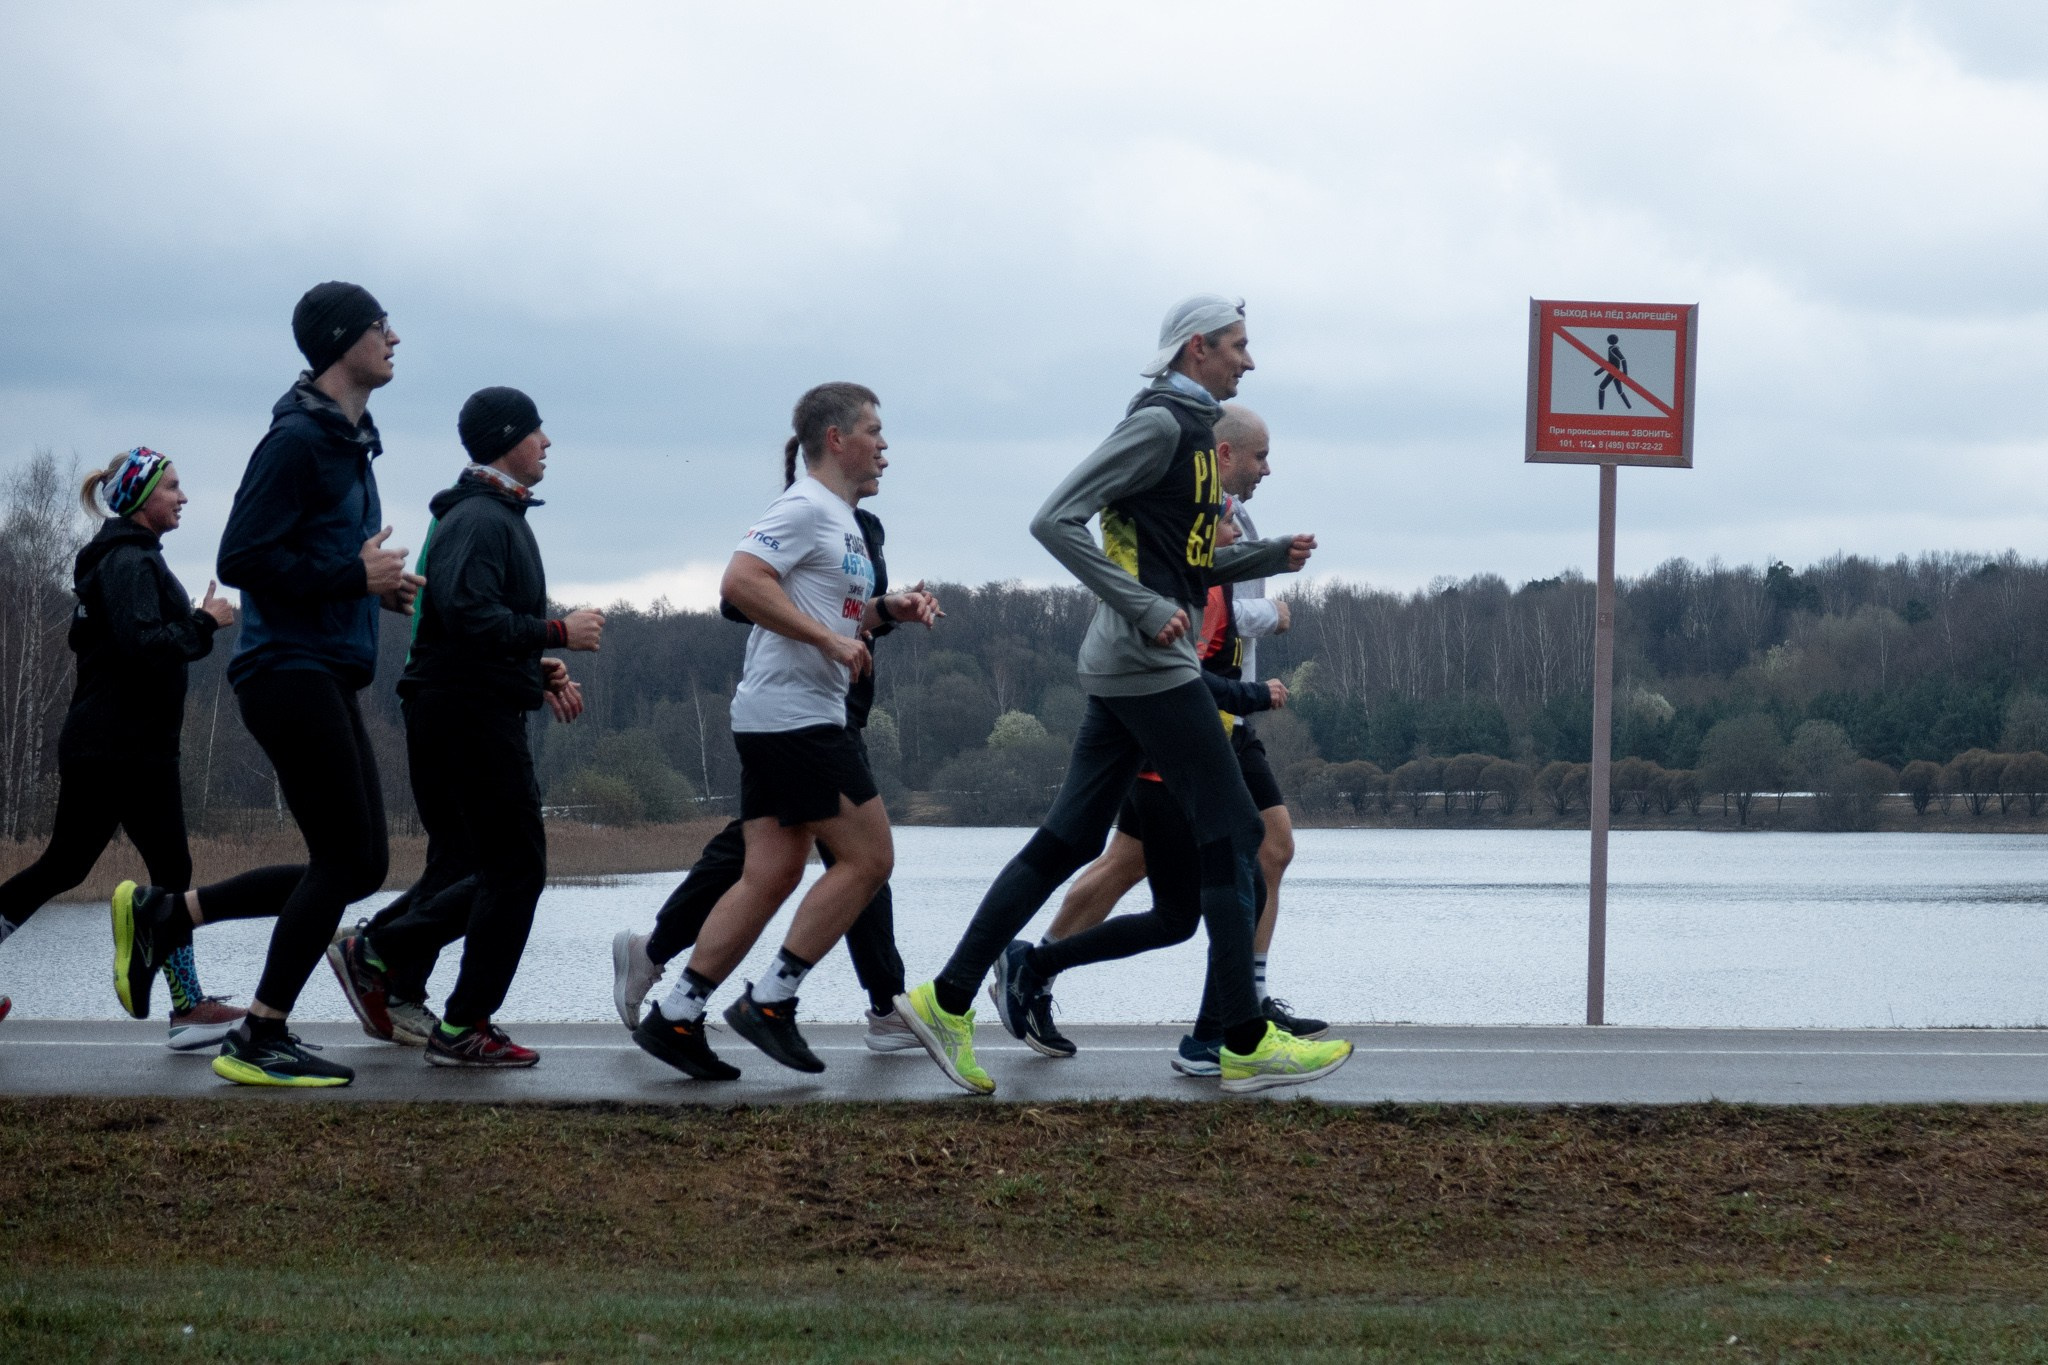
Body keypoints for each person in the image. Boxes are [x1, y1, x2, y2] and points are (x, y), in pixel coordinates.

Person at [895, 295, 1353, 1097]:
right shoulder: (1160, 424)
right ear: (1198, 348)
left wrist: (1268, 555)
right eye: (1240, 346)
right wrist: (1143, 607)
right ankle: (1241, 1039)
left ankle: (948, 996)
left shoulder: (1197, 435)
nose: (1250, 360)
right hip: (1149, 660)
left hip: (1132, 659)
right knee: (1239, 829)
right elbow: (1054, 519)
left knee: (1072, 835)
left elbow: (1182, 564)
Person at [108, 281, 421, 1087]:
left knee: (358, 864)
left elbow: (312, 563)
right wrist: (349, 571)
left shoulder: (349, 441)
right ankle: (259, 1035)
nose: (395, 337)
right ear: (344, 338)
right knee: (347, 856)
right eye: (382, 325)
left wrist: (371, 587)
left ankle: (167, 914)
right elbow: (241, 558)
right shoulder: (297, 441)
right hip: (285, 666)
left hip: (321, 664)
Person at [629, 382, 910, 1081]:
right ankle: (772, 1000)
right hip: (796, 719)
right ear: (836, 438)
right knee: (870, 859)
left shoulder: (841, 518)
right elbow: (740, 582)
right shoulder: (805, 506)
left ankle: (678, 1013)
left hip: (780, 716)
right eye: (874, 430)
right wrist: (829, 641)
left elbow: (828, 609)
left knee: (772, 871)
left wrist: (881, 612)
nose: (884, 444)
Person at [1034, 405, 1328, 1056]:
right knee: (1139, 871)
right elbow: (1187, 628)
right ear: (1222, 454)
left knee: (1266, 848)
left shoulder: (1231, 517)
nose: (1267, 469)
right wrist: (1271, 622)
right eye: (1259, 457)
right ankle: (1036, 969)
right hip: (1181, 715)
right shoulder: (1186, 518)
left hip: (1222, 714)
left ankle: (1235, 1009)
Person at [325, 387, 600, 1067]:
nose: (547, 443)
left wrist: (533, 667)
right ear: (507, 437)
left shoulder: (484, 514)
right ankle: (453, 1012)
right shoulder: (482, 517)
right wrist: (558, 631)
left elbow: (457, 625)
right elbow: (468, 613)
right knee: (517, 868)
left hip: (459, 703)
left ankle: (391, 959)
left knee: (471, 863)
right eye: (538, 430)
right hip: (466, 712)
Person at [0, 448, 242, 1049]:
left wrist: (186, 622)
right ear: (139, 499)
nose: (183, 498)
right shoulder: (130, 561)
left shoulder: (115, 561)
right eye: (174, 487)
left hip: (104, 742)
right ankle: (187, 1008)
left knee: (65, 866)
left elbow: (123, 640)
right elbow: (143, 644)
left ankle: (187, 1005)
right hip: (127, 746)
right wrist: (206, 622)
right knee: (171, 872)